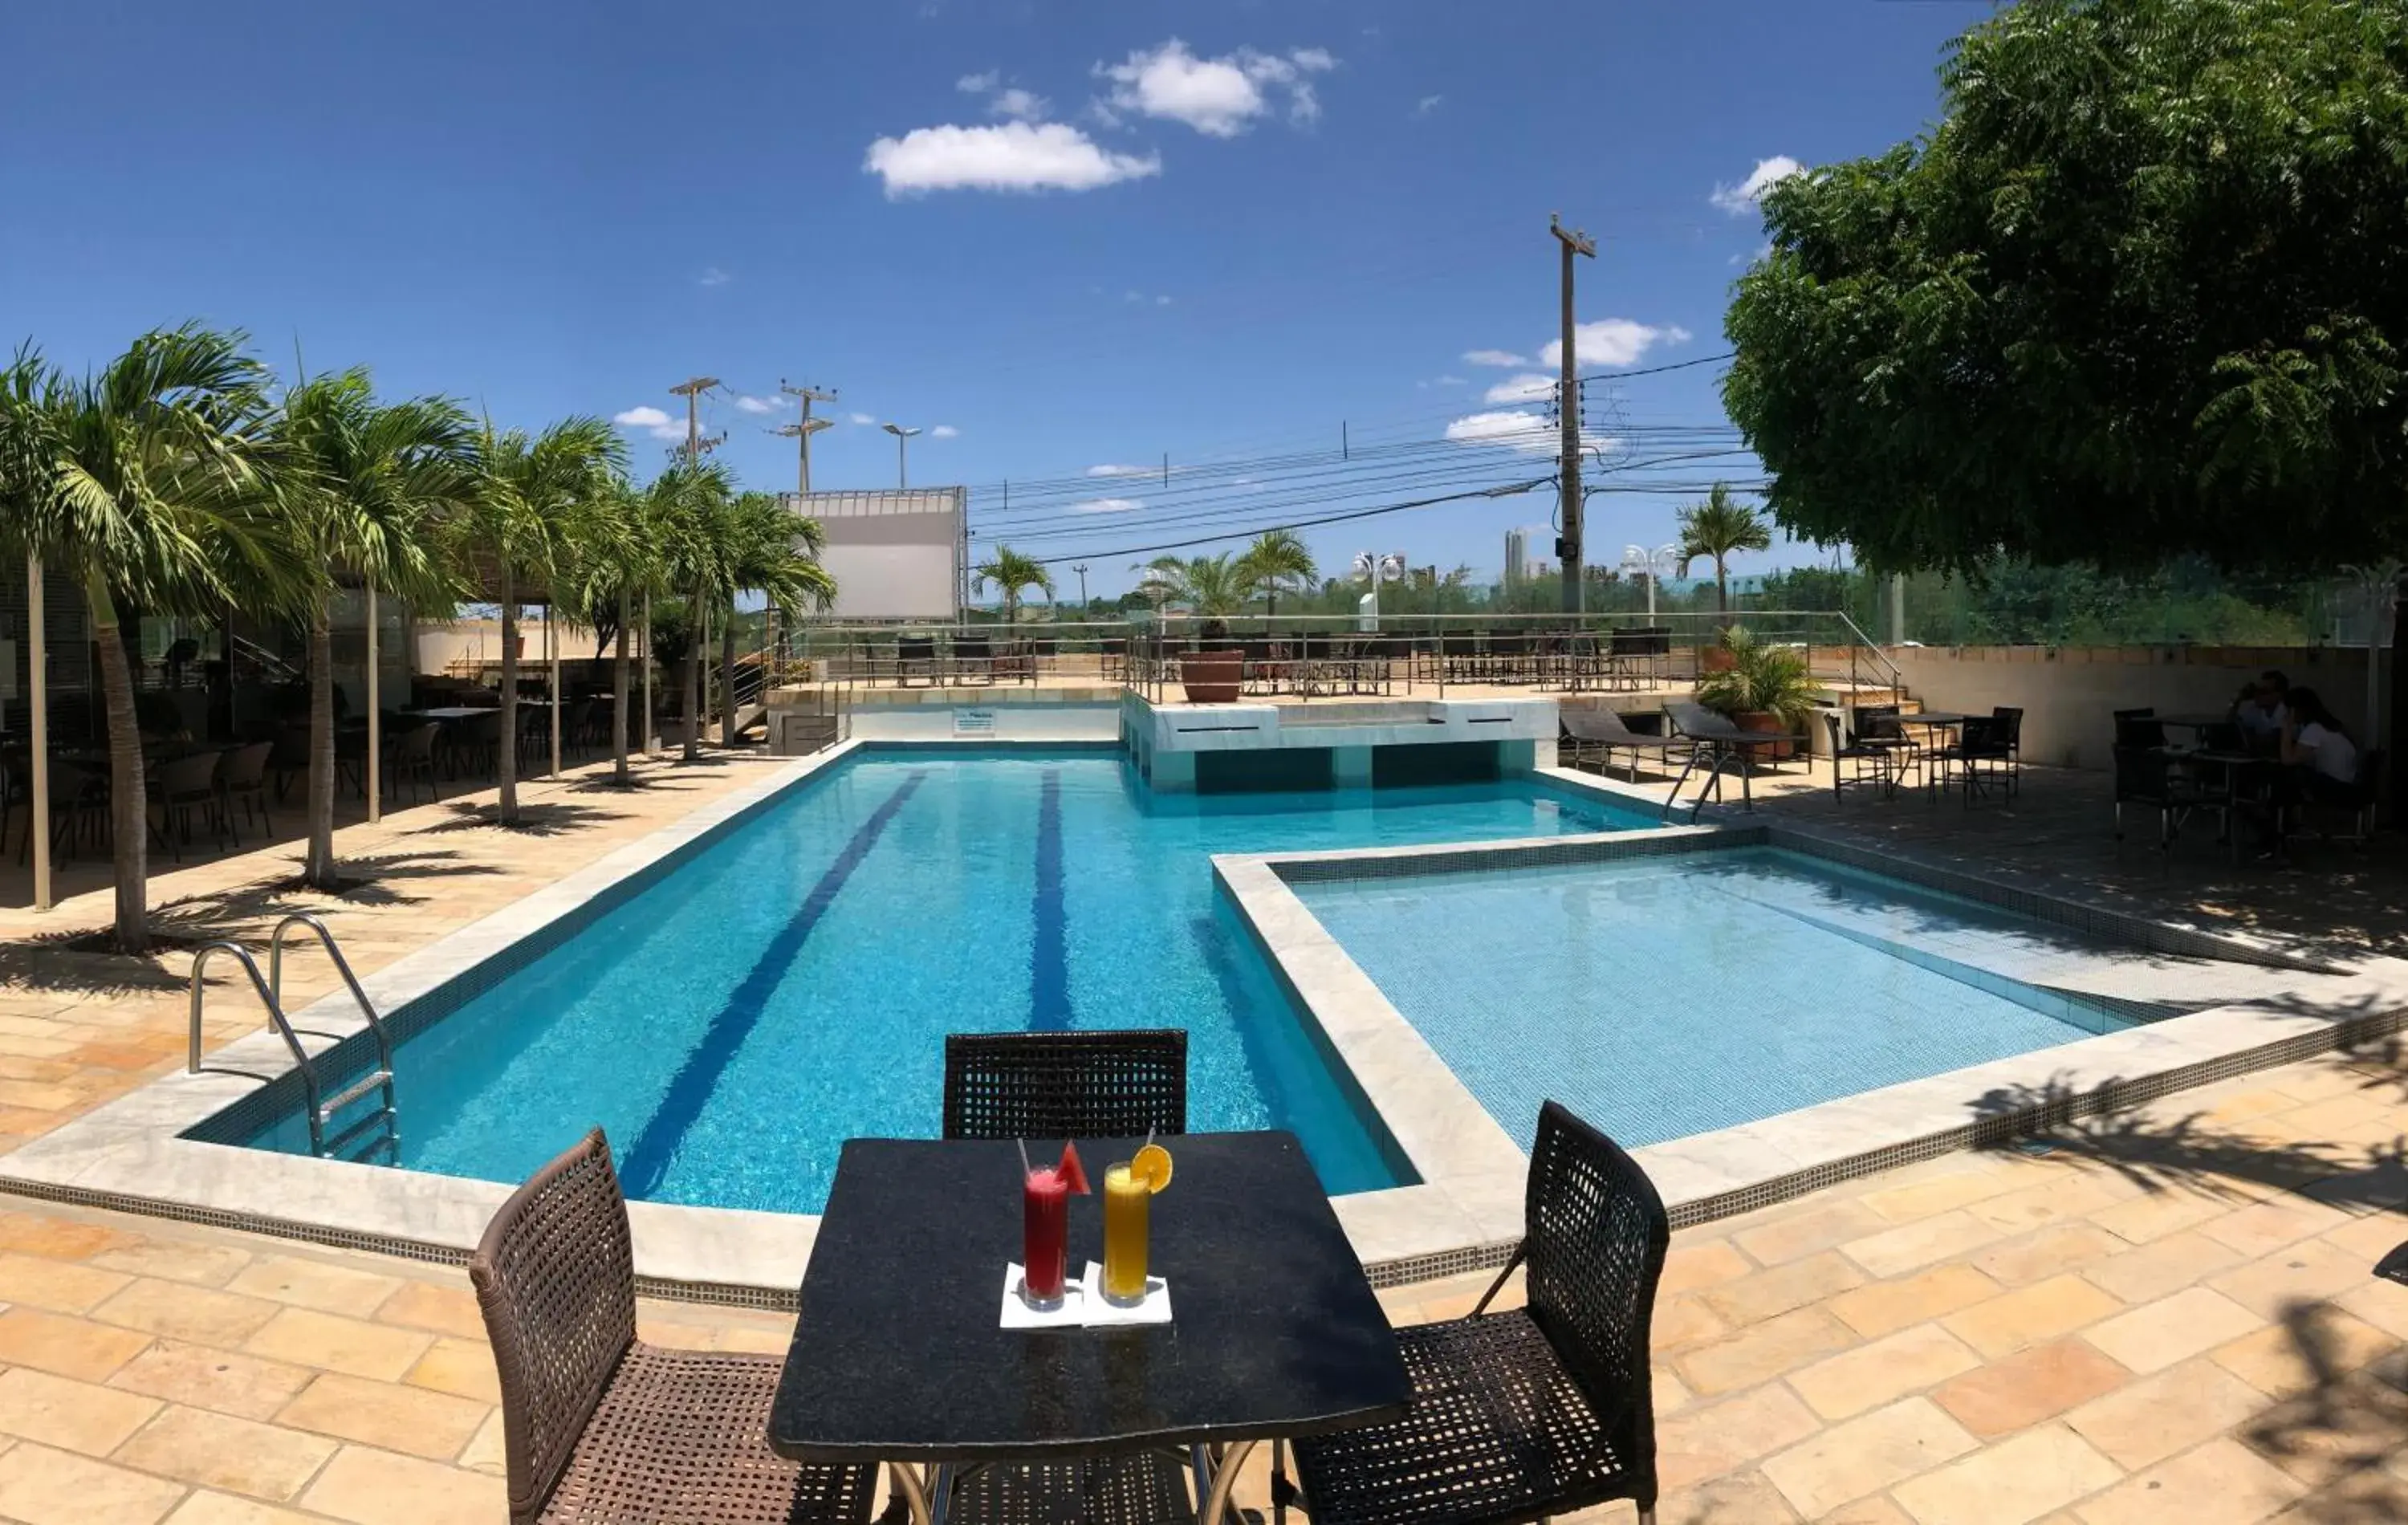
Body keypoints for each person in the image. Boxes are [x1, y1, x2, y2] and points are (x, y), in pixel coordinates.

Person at [2231, 670, 2289, 746]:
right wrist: (2239, 700)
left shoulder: (2286, 711)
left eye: (2263, 692)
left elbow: (2274, 741)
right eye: (2256, 691)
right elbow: (2230, 728)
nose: (2257, 695)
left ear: (2280, 694)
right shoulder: (2250, 706)